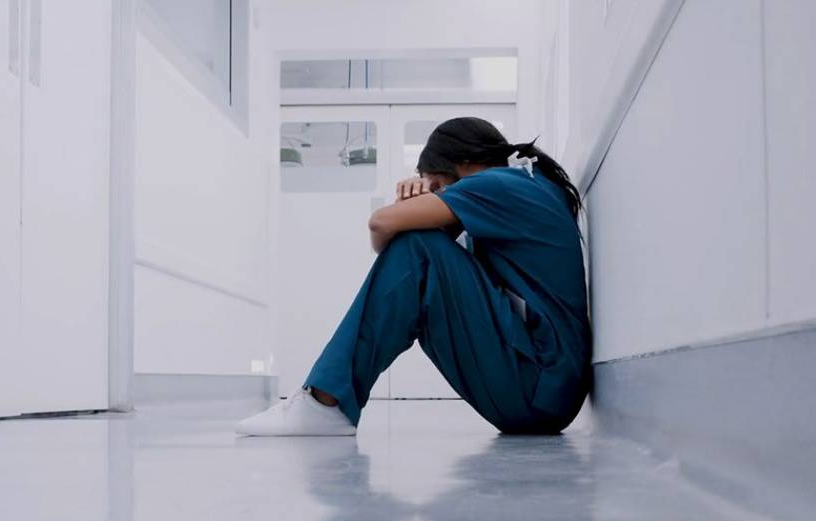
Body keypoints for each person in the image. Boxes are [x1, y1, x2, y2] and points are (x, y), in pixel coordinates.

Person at [235, 117, 592, 436]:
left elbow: (382, 226)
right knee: (419, 249)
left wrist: (406, 206)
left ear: (464, 163)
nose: (436, 194)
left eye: (436, 185)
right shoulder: (526, 182)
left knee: (418, 244)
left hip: (537, 385)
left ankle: (325, 402)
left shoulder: (497, 183)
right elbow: (398, 262)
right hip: (547, 390)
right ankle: (326, 399)